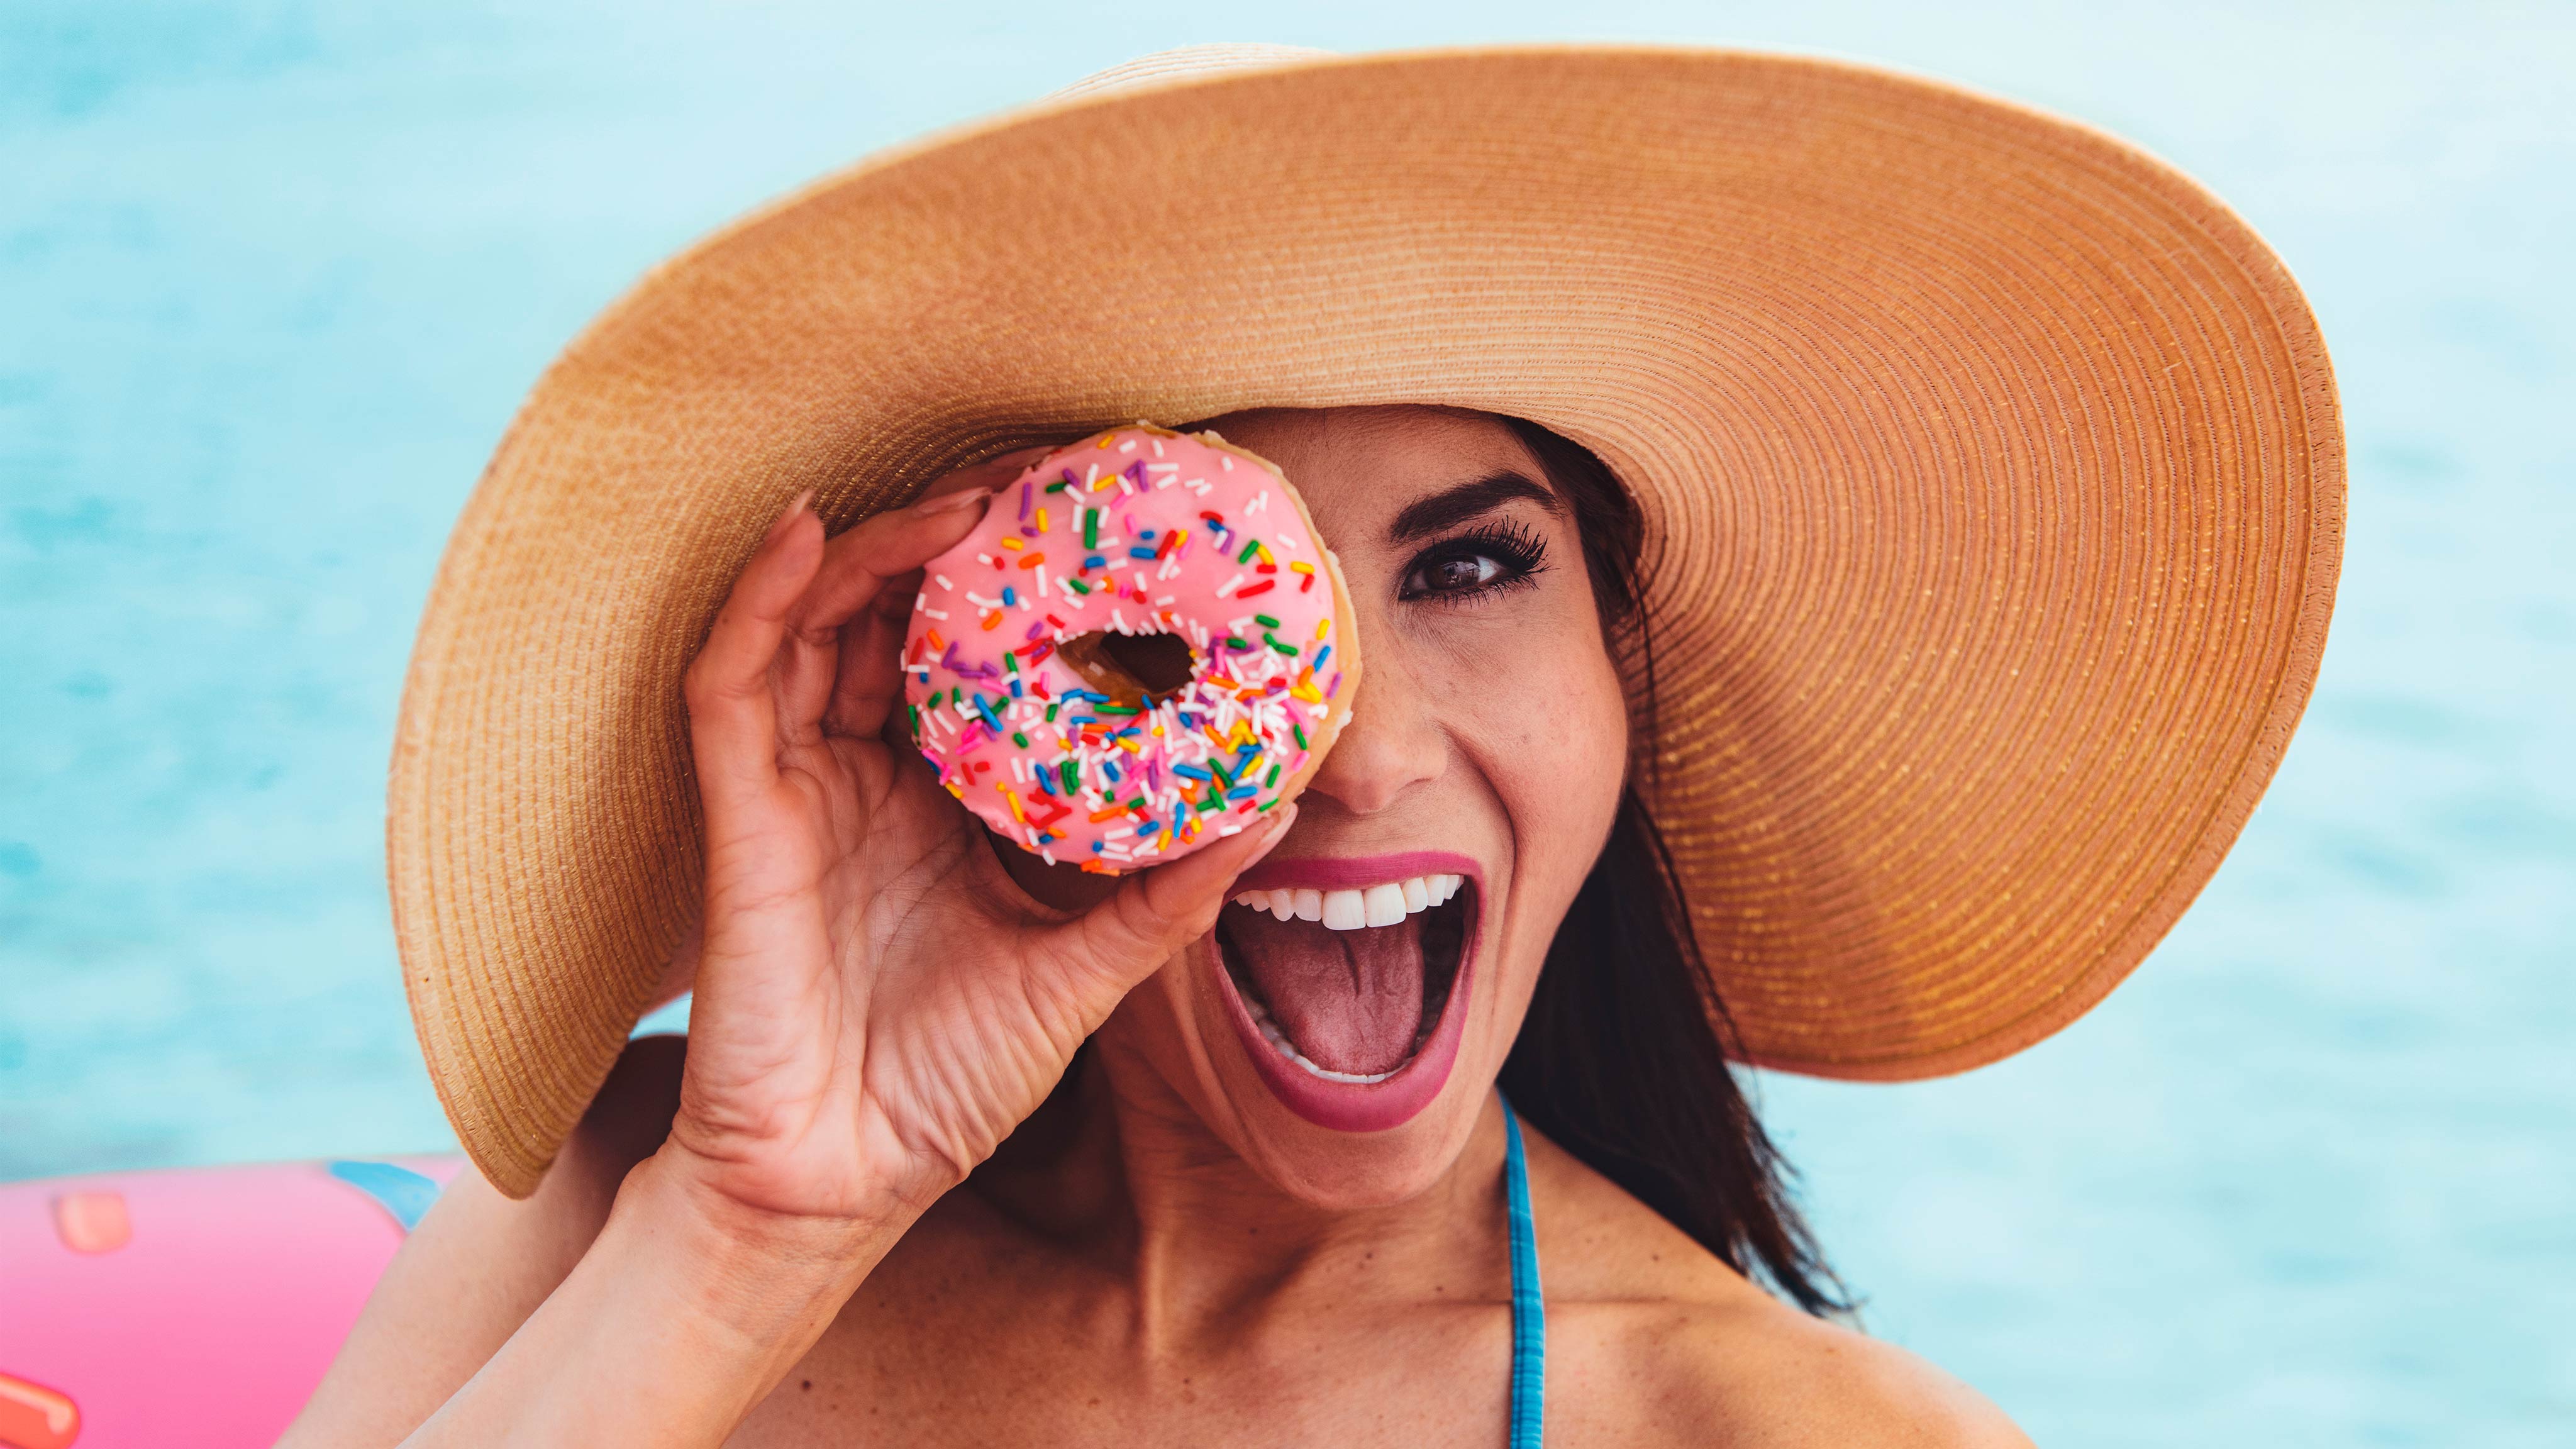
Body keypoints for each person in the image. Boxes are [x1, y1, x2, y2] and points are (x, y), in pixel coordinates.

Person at [284, 43, 2341, 1448]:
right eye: (1161, 636)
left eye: (1468, 570)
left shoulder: (1783, 1431)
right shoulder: (626, 1208)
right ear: (966, 710)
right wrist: (742, 1253)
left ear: (1618, 673)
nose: (1349, 762)